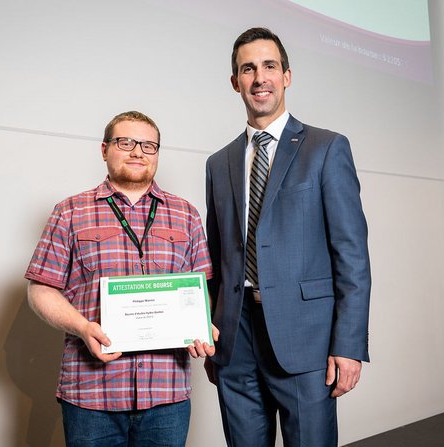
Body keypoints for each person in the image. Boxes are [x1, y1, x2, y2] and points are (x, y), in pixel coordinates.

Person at [204, 27, 371, 447]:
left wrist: (348, 345)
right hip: (235, 341)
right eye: (248, 69)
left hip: (307, 341)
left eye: (269, 66)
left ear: (287, 76)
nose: (260, 77)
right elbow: (216, 257)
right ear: (235, 82)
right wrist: (207, 327)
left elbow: (351, 255)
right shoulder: (218, 163)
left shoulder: (326, 148)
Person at [25, 110, 216, 447]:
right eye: (125, 142)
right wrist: (84, 328)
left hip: (166, 394)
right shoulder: (70, 211)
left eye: (148, 145)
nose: (138, 152)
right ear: (104, 149)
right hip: (92, 395)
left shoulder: (185, 214)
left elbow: (200, 287)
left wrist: (202, 322)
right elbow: (41, 289)